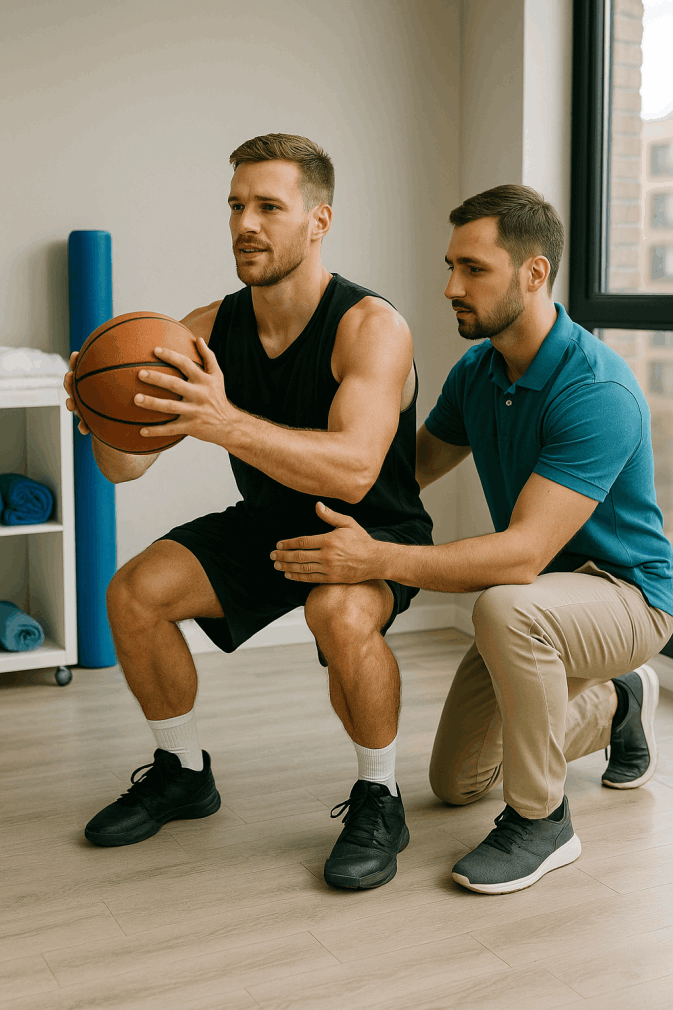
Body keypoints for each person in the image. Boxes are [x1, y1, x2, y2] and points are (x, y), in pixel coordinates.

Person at [271, 184, 673, 895]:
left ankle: (543, 820)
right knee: (456, 782)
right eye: (449, 265)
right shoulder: (478, 372)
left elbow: (519, 556)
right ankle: (619, 705)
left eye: (473, 269)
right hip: (540, 599)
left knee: (502, 606)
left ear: (534, 273)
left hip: (626, 595)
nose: (451, 286)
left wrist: (380, 557)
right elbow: (407, 473)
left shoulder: (595, 389)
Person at [64, 133, 433, 890]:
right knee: (133, 595)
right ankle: (183, 773)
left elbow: (358, 470)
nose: (246, 224)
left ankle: (378, 794)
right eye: (237, 206)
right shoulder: (203, 328)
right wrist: (102, 417)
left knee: (339, 614)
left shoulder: (371, 327)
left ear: (319, 221)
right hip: (267, 522)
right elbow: (124, 469)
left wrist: (222, 421)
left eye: (269, 206)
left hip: (364, 531)